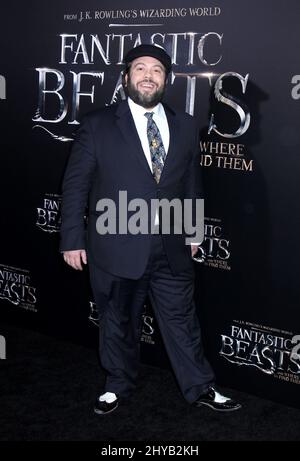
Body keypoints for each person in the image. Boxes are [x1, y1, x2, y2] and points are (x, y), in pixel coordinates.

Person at [60, 44, 241, 414]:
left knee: (182, 321)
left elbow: (191, 182)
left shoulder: (186, 124)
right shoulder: (97, 125)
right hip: (115, 243)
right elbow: (75, 186)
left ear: (166, 79)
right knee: (117, 321)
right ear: (126, 77)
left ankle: (200, 387)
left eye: (156, 70)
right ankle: (117, 384)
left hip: (171, 246)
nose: (147, 75)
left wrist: (192, 231)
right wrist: (71, 239)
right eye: (140, 68)